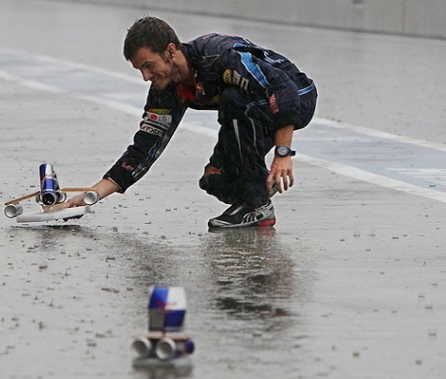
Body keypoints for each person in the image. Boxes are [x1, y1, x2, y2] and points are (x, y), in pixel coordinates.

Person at [66, 16, 317, 228]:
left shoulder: (219, 55)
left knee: (234, 100)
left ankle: (258, 205)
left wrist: (283, 153)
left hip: (297, 97)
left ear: (171, 51)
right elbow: (144, 147)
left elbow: (282, 89)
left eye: (148, 66)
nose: (145, 77)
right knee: (215, 178)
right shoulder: (164, 90)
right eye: (139, 70)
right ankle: (254, 194)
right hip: (251, 111)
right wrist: (92, 195)